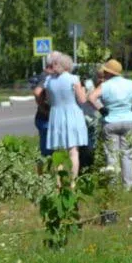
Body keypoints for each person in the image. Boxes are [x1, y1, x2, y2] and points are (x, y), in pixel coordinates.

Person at [89, 58, 132, 190]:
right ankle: (129, 186)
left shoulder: (105, 86)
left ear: (109, 73)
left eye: (105, 72)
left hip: (110, 121)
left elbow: (91, 97)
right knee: (128, 154)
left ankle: (113, 185)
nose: (103, 74)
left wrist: (101, 109)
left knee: (111, 155)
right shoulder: (129, 83)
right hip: (129, 121)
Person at [41, 51, 89, 179]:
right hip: (73, 114)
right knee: (73, 151)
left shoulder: (49, 81)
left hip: (56, 115)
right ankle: (73, 182)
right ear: (68, 65)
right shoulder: (73, 79)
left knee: (58, 153)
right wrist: (84, 90)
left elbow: (49, 100)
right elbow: (82, 100)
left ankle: (59, 182)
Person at [30, 59, 55, 156]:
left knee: (47, 148)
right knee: (48, 151)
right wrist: (43, 108)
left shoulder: (44, 75)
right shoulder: (46, 76)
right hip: (45, 118)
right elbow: (37, 92)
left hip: (43, 117)